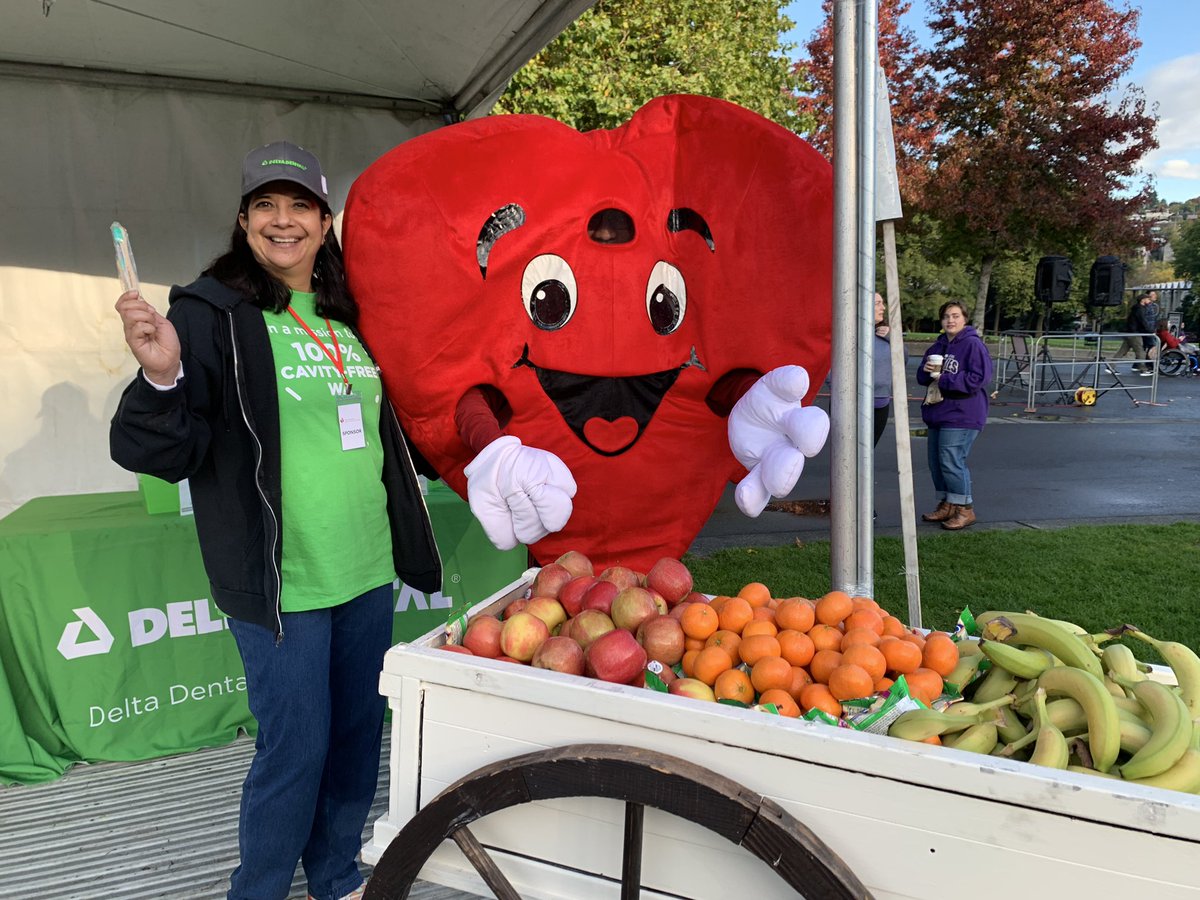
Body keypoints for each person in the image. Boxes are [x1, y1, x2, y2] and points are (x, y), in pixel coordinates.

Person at [110, 141, 442, 900]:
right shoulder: (209, 312)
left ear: (326, 224)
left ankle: (333, 875)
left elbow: (392, 430)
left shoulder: (353, 313)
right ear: (243, 221)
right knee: (296, 749)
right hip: (282, 579)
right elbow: (162, 448)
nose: (283, 220)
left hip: (365, 570)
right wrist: (161, 373)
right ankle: (256, 889)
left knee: (357, 739)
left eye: (300, 207)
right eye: (266, 206)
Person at [916, 301, 994, 531]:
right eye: (946, 316)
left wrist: (944, 379)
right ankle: (948, 503)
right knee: (936, 462)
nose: (950, 320)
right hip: (938, 411)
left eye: (955, 316)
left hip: (963, 413)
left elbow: (979, 379)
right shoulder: (938, 345)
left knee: (951, 460)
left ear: (965, 319)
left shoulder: (973, 345)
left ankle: (965, 508)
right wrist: (926, 371)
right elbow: (922, 376)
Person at [872, 292, 907, 447]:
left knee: (869, 450)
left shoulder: (885, 334)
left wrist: (893, 338)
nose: (883, 307)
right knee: (847, 451)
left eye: (882, 302)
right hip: (851, 403)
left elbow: (902, 361)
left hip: (880, 403)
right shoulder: (848, 334)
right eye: (877, 303)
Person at [1114, 294, 1156, 374]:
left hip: (1130, 332)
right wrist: (1150, 331)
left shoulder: (1136, 308)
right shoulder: (1140, 309)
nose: (1149, 301)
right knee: (1140, 351)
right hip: (1134, 333)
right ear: (1143, 300)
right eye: (1148, 299)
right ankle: (1143, 369)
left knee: (1122, 351)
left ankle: (1110, 366)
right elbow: (1143, 322)